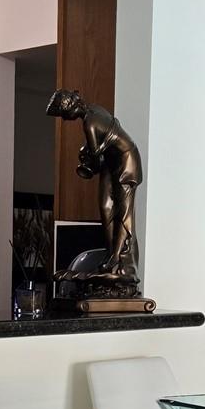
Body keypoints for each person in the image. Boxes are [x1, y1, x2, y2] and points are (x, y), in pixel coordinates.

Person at [45, 88, 141, 286]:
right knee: (106, 207)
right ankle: (111, 254)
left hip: (126, 160)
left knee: (123, 214)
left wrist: (86, 160)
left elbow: (96, 158)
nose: (65, 120)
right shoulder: (94, 110)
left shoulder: (90, 121)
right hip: (112, 162)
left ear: (69, 110)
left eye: (63, 116)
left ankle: (118, 259)